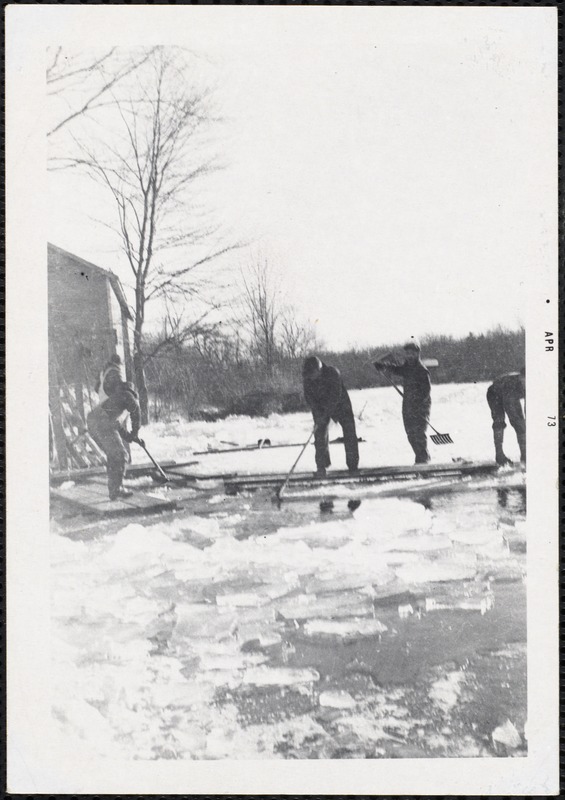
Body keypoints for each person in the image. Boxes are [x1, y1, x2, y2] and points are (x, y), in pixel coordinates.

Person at [373, 340, 431, 464]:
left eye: (412, 353)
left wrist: (417, 404)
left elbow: (426, 392)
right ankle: (421, 458)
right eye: (408, 353)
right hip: (408, 405)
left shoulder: (422, 370)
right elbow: (396, 369)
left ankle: (423, 460)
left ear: (417, 354)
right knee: (410, 434)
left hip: (420, 407)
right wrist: (383, 366)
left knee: (419, 434)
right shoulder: (407, 368)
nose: (409, 356)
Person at [302, 356, 359, 478]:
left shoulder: (333, 373)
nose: (311, 377)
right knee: (319, 434)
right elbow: (309, 398)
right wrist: (318, 414)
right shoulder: (307, 378)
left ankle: (353, 466)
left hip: (341, 405)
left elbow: (335, 396)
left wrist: (326, 413)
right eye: (309, 375)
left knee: (349, 433)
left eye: (313, 374)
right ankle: (321, 467)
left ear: (319, 370)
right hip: (320, 407)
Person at [87, 380, 143, 500]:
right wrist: (135, 432)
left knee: (114, 455)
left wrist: (133, 437)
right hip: (101, 422)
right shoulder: (127, 395)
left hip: (94, 422)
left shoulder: (115, 402)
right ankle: (117, 489)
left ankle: (115, 490)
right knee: (120, 454)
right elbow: (136, 412)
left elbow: (118, 428)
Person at [486, 368, 525, 465]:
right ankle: (500, 454)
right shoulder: (511, 384)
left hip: (504, 391)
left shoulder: (531, 383)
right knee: (501, 422)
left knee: (519, 422)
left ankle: (524, 453)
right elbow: (515, 416)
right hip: (494, 393)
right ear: (521, 377)